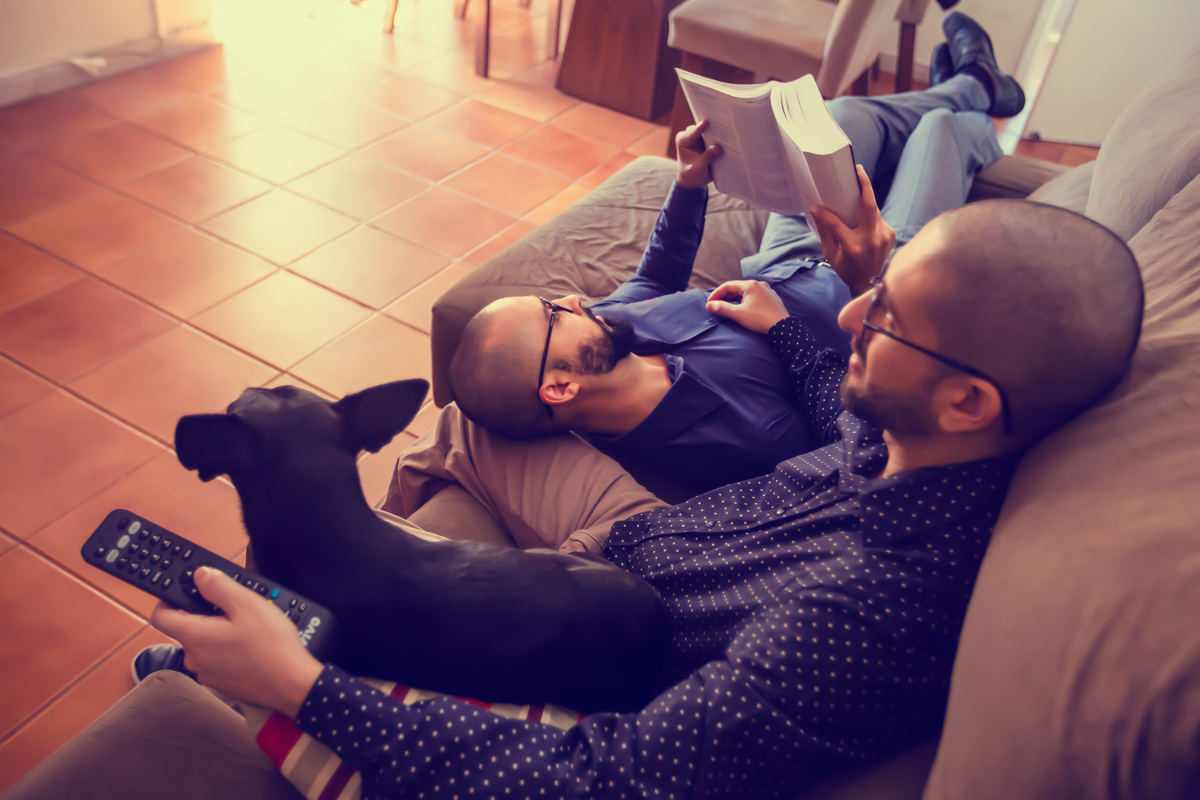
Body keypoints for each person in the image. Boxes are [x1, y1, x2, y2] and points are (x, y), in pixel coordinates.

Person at [146, 13, 1145, 799]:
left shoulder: (867, 621)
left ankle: (302, 637)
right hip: (636, 546)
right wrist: (839, 294)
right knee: (464, 414)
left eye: (885, 321)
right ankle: (970, 93)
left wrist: (306, 688)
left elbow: (612, 778)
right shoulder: (906, 437)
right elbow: (834, 407)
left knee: (456, 432)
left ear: (969, 398)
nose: (857, 321)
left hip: (618, 614)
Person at [416, 14, 1026, 497]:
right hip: (869, 283)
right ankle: (975, 95)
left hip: (785, 257)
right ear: (558, 388)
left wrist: (687, 184)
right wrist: (806, 315)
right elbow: (847, 419)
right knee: (939, 133)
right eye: (555, 314)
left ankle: (970, 82)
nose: (576, 300)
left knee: (835, 118)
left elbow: (656, 273)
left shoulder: (611, 331)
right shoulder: (732, 441)